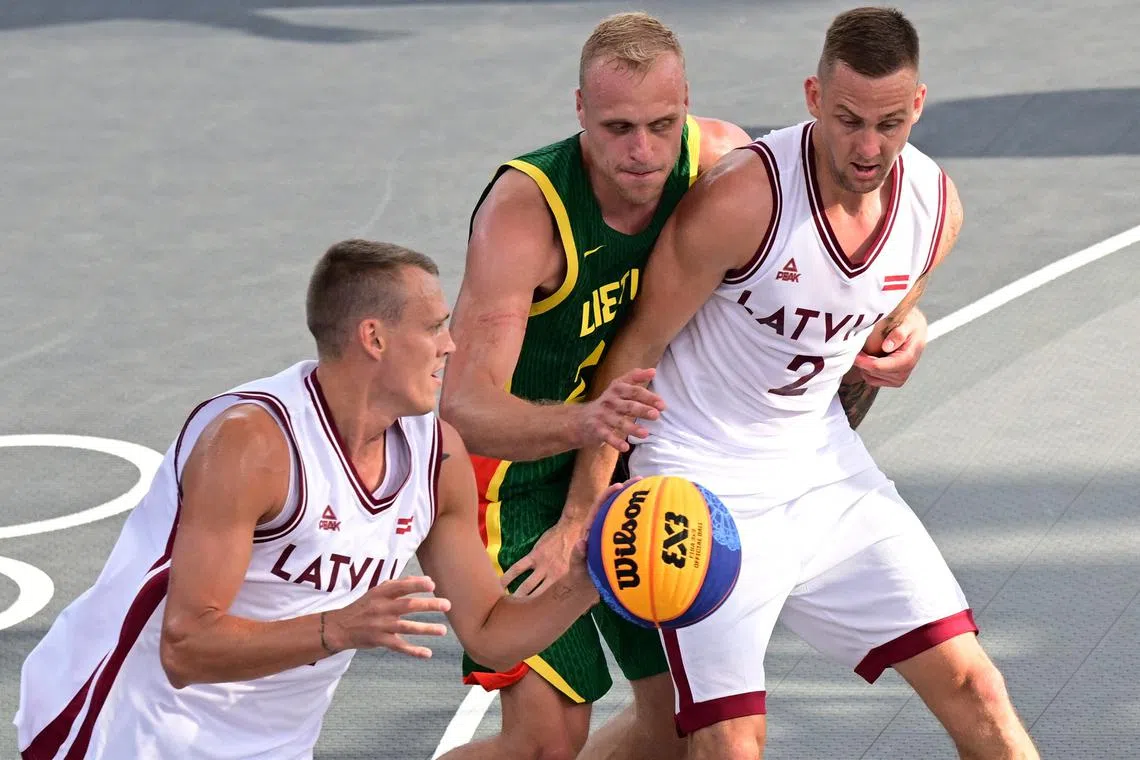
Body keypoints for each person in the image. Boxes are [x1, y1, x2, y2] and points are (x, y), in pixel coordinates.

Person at [439, 11, 930, 760]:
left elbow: (836, 266)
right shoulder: (526, 213)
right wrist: (584, 430)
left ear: (688, 106)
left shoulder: (722, 163)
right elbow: (465, 409)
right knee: (546, 737)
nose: (642, 152)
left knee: (675, 725)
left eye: (662, 125)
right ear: (580, 114)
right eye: (617, 127)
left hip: (634, 462)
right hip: (509, 480)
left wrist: (908, 319)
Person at [560, 8, 1041, 760]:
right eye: (848, 119)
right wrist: (586, 506)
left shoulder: (934, 210)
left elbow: (876, 325)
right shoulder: (742, 200)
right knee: (727, 741)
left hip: (822, 472)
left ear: (917, 104)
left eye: (889, 121)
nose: (868, 145)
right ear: (813, 96)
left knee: (977, 686)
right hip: (700, 483)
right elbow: (634, 351)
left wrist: (906, 339)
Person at [14, 240, 611, 760]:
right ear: (374, 337)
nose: (451, 345)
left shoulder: (438, 459)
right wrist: (339, 627)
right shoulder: (253, 445)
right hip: (126, 732)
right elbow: (187, 648)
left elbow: (489, 632)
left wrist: (596, 574)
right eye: (433, 326)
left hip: (273, 743)